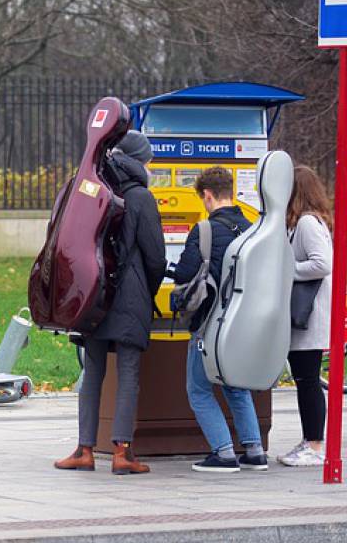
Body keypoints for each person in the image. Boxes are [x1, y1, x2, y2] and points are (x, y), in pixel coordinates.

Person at [54, 130, 166, 475]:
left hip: (94, 293)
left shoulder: (95, 190)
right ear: (140, 162)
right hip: (129, 294)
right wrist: (148, 288)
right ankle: (122, 452)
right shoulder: (141, 197)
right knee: (128, 373)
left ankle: (85, 449)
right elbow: (155, 256)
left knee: (93, 372)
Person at [171, 167, 267, 473]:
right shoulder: (252, 228)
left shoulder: (205, 230)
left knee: (198, 388)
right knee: (235, 385)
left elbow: (187, 273)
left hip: (210, 323)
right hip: (243, 323)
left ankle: (223, 453)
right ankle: (254, 451)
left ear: (207, 195)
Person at [278, 165, 333, 467]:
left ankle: (315, 444)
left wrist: (288, 272)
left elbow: (322, 264)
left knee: (308, 380)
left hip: (310, 315)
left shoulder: (308, 224)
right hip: (305, 315)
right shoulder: (302, 223)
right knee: (304, 379)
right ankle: (309, 439)